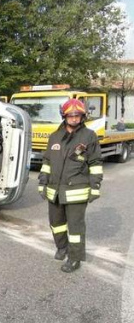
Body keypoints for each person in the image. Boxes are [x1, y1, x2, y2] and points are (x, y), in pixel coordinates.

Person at [38, 99, 103, 273]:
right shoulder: (54, 136)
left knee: (75, 227)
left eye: (78, 115)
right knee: (56, 223)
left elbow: (95, 162)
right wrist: (42, 182)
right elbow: (47, 161)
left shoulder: (89, 136)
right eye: (71, 115)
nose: (74, 118)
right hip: (55, 190)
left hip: (77, 191)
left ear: (83, 117)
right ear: (64, 116)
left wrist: (95, 186)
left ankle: (75, 258)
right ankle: (62, 247)